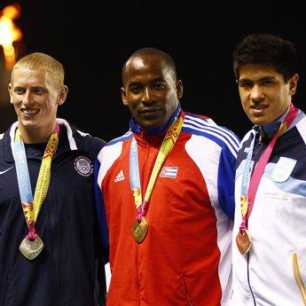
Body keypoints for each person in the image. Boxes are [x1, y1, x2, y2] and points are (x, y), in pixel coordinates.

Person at [95, 47, 240, 306]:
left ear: (179, 88)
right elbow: (108, 247)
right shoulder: (108, 157)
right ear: (124, 96)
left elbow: (251, 235)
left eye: (158, 85)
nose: (147, 97)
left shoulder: (215, 147)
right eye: (136, 88)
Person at [0, 52, 106, 306]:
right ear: (10, 91)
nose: (27, 101)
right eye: (20, 91)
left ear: (62, 94)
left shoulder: (93, 153)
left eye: (38, 91)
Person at [232, 33, 306, 306]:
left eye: (267, 83)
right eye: (246, 84)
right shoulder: (246, 144)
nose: (255, 95)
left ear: (292, 84)